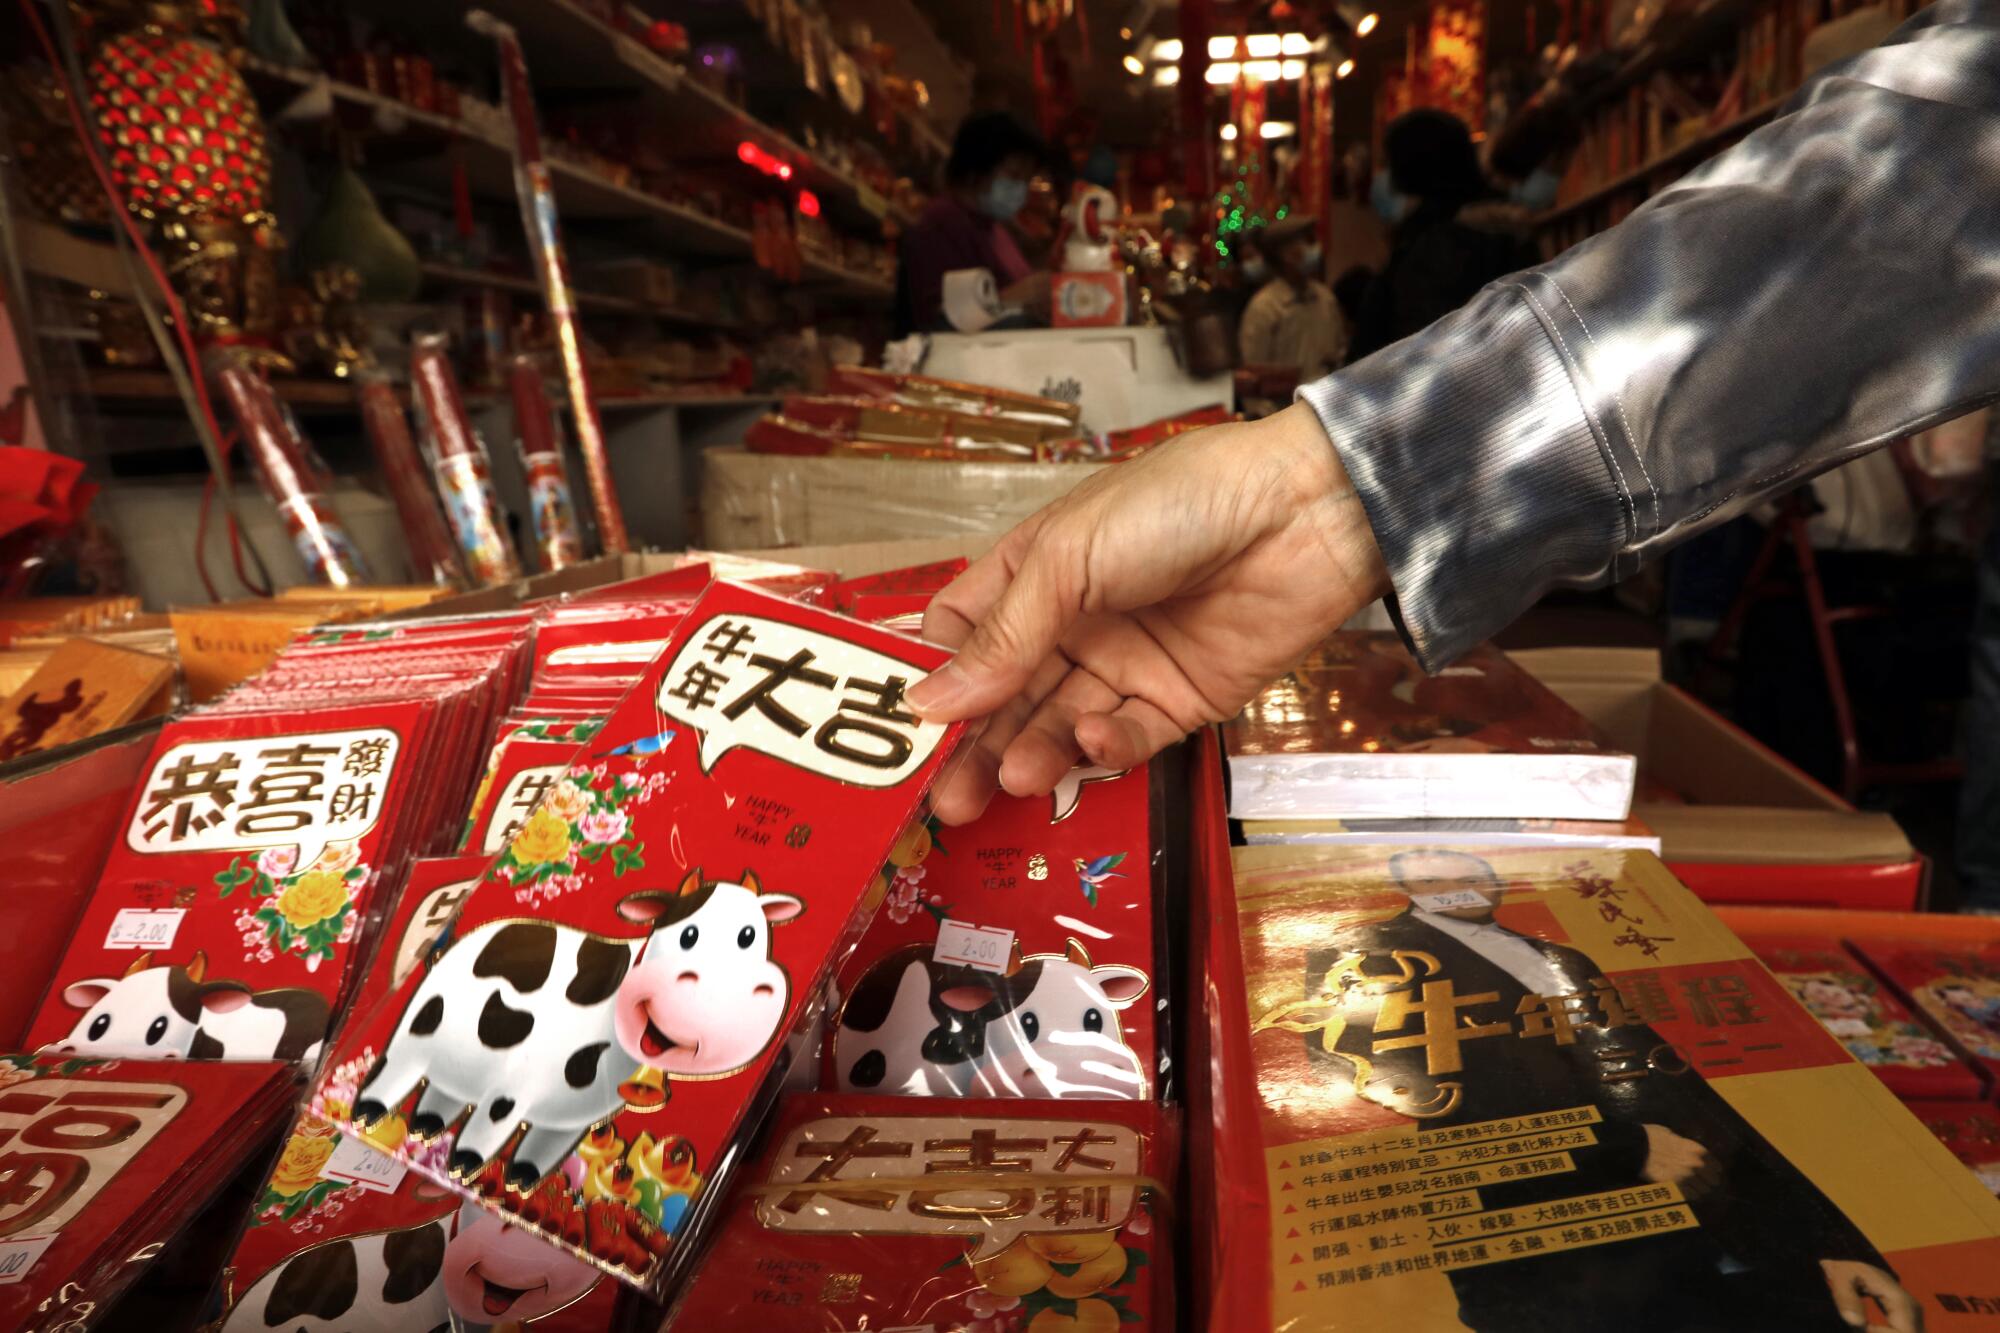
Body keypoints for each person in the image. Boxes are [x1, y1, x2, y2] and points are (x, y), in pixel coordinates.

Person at [901, 0, 1997, 847]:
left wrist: (1348, 479)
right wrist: (1343, 491)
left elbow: (1917, 181)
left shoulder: (1433, 249)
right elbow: (1922, 187)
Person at [1296, 848, 1913, 1331]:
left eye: (1479, 857)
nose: (1467, 873)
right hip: (1557, 1265)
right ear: (1400, 874)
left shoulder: (1565, 957)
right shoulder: (1360, 954)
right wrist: (1623, 1146)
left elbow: (1684, 1096)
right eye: (1436, 858)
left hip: (1719, 1244)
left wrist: (1821, 1242)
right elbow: (1402, 1097)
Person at [1346, 108, 1538, 362]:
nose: (1386, 178)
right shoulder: (1501, 225)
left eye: (1390, 163)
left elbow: (1422, 346)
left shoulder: (1439, 244)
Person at [893, 111, 1050, 336]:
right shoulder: (941, 224)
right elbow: (936, 321)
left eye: (1027, 180)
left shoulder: (993, 229)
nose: (1021, 189)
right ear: (976, 168)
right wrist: (1017, 297)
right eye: (1014, 175)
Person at [1235, 214, 1346, 384]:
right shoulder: (1265, 307)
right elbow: (1252, 376)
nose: (1316, 249)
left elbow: (1339, 354)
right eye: (1308, 242)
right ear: (1286, 255)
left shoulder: (1325, 299)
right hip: (1284, 408)